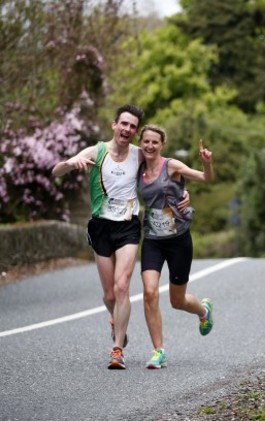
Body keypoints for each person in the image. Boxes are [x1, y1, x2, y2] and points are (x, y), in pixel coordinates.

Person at [51, 105, 189, 370]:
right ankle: (117, 321)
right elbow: (56, 171)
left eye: (132, 126)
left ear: (135, 132)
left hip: (127, 226)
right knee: (109, 295)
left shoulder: (139, 154)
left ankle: (117, 350)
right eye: (123, 124)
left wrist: (183, 193)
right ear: (114, 125)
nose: (127, 129)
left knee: (122, 286)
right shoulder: (97, 151)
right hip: (100, 227)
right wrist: (71, 163)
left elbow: (167, 170)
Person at [136, 124, 215, 369]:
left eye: (154, 142)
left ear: (162, 145)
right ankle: (158, 351)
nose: (149, 146)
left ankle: (203, 311)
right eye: (146, 141)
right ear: (141, 143)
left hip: (178, 239)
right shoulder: (136, 166)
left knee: (176, 301)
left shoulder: (172, 166)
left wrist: (207, 163)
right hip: (152, 239)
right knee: (149, 292)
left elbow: (206, 179)